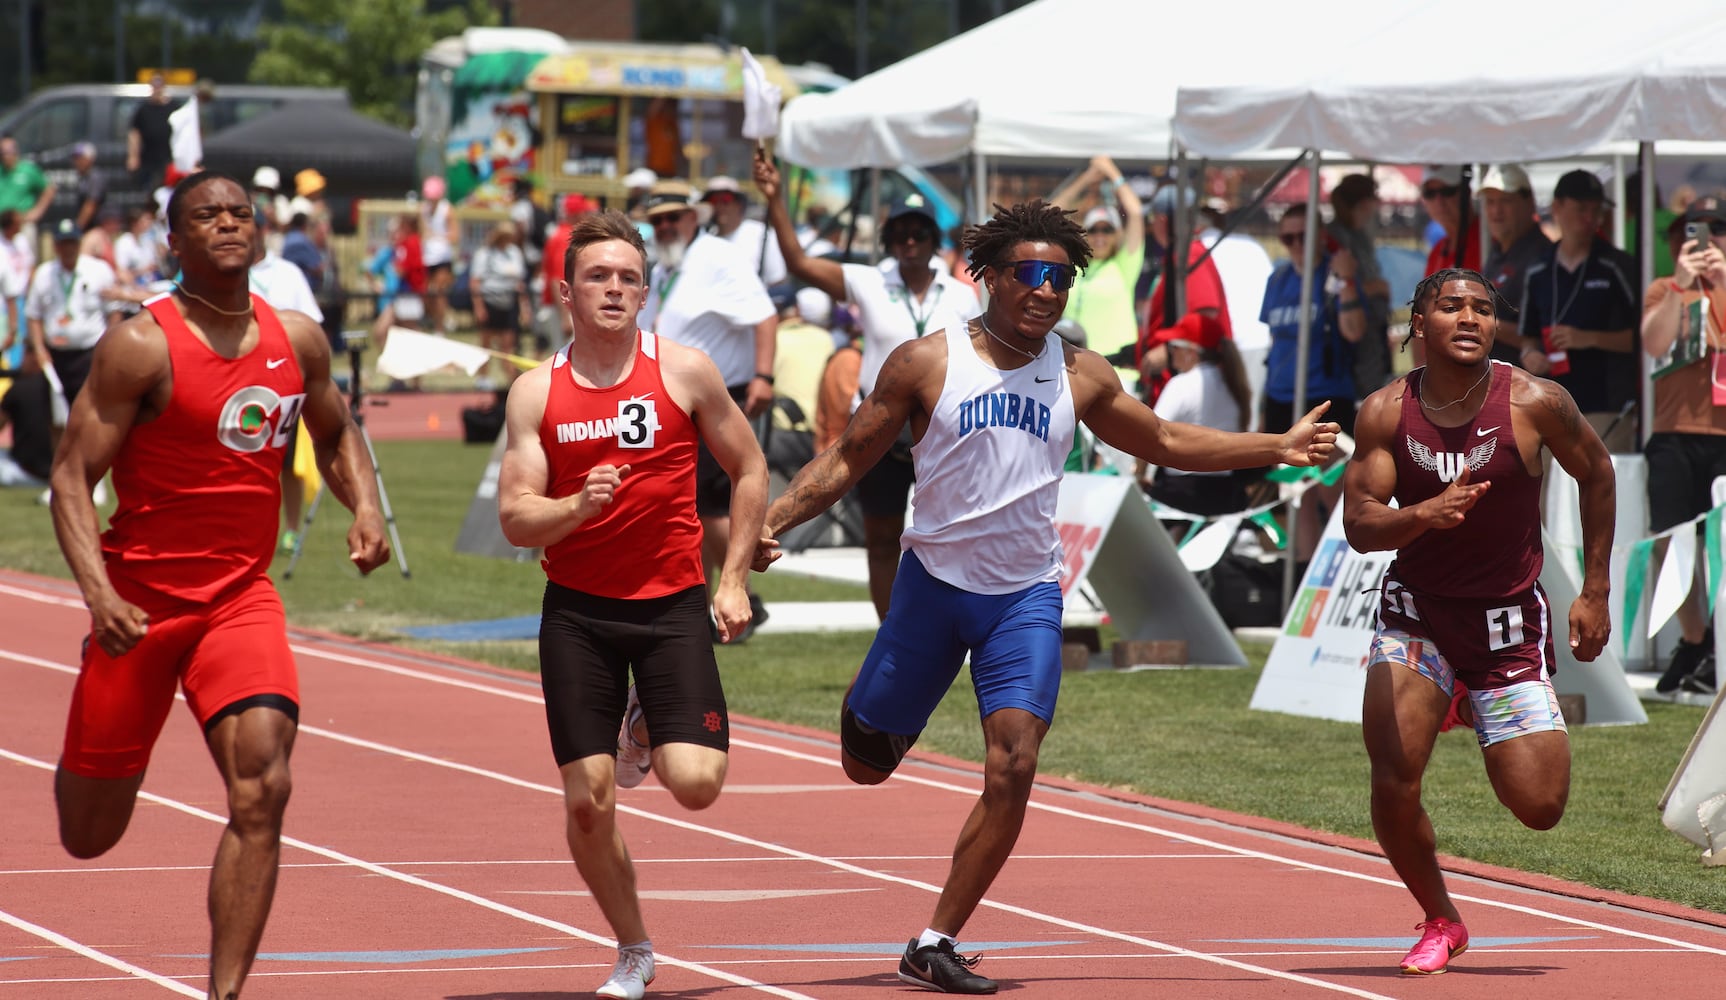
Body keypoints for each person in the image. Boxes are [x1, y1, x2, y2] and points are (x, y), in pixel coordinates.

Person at [753, 199, 1339, 995]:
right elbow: (846, 458)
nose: (1045, 290)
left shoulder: (1080, 372)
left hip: (1023, 595)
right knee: (865, 766)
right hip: (933, 588)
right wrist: (773, 520)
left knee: (1016, 760)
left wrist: (1276, 445)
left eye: (1061, 278)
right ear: (986, 277)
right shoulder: (925, 363)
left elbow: (1163, 440)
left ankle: (935, 939)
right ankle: (869, 714)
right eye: (1029, 273)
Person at [47, 170, 390, 1000]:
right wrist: (100, 598)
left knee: (264, 783)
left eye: (241, 213)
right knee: (88, 834)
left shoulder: (299, 339)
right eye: (207, 215)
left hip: (240, 600)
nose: (229, 224)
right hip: (139, 605)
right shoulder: (140, 345)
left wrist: (367, 507)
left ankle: (226, 993)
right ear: (174, 241)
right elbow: (68, 478)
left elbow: (336, 430)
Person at [495, 208, 768, 1000]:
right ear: (565, 294)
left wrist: (734, 577)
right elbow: (517, 515)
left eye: (626, 278)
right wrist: (577, 506)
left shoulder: (684, 371)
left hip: (671, 604)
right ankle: (634, 949)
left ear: (645, 293)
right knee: (588, 801)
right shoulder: (535, 393)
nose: (613, 290)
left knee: (697, 785)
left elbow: (749, 469)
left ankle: (645, 727)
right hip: (578, 611)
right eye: (596, 278)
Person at [1342, 268, 1614, 977]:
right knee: (1393, 774)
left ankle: (1468, 696)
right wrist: (1421, 516)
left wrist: (1594, 589)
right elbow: (1361, 527)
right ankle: (1440, 917)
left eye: (1484, 309)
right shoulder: (1383, 412)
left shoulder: (1534, 400)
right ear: (1420, 323)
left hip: (1504, 625)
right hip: (1418, 614)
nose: (1470, 317)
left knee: (1540, 806)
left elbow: (1599, 472)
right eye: (1451, 305)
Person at [754, 151, 981, 619]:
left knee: (951, 533)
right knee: (880, 537)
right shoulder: (868, 280)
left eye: (918, 231)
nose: (909, 241)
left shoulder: (961, 294)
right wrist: (775, 198)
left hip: (943, 428)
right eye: (899, 232)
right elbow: (797, 261)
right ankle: (891, 633)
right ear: (889, 238)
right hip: (880, 425)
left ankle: (951, 627)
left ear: (933, 237)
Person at [638, 178, 778, 638]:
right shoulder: (664, 267)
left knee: (711, 507)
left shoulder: (716, 257)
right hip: (674, 400)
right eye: (656, 220)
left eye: (672, 218)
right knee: (687, 505)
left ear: (692, 217)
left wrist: (763, 375)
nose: (663, 227)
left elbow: (763, 314)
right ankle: (697, 601)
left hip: (719, 396)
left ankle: (740, 595)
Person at [1640, 196, 1726, 696]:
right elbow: (1655, 342)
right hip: (1675, 431)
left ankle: (1715, 642)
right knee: (1667, 543)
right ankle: (1696, 638)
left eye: (1718, 229)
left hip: (1722, 437)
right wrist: (1681, 284)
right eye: (1696, 231)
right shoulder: (1665, 288)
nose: (1707, 240)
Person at [1518, 169, 1641, 452]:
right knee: (1551, 494)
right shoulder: (1538, 269)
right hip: (1549, 403)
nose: (1590, 219)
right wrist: (1530, 355)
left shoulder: (1617, 265)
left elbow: (1646, 337)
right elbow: (1528, 337)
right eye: (1581, 209)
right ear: (1556, 208)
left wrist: (1589, 338)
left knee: (1601, 488)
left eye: (1596, 211)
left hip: (1606, 405)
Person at [26, 218, 121, 466]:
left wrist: (107, 347)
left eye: (72, 243)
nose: (68, 248)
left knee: (88, 415)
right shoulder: (45, 274)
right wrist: (39, 348)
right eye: (63, 243)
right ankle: (60, 471)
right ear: (56, 246)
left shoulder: (98, 270)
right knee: (56, 418)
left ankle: (93, 473)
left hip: (89, 351)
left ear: (79, 244)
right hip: (55, 355)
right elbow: (34, 315)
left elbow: (114, 312)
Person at [1047, 156, 1146, 389]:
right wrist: (1087, 179)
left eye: (1107, 229)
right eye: (1093, 229)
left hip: (1116, 372)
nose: (1100, 236)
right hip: (1072, 370)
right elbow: (1047, 215)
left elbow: (1136, 212)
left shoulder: (1123, 265)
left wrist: (1112, 172)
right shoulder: (1077, 266)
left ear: (1116, 235)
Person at [1146, 311, 1254, 516]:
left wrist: (1140, 475)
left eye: (1174, 347)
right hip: (1227, 493)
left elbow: (1149, 431)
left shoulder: (1181, 384)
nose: (1171, 353)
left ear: (1191, 352)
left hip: (1181, 494)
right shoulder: (1235, 386)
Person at [1136, 185, 1232, 404]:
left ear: (1161, 220)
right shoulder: (1183, 253)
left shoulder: (1189, 254)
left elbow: (1205, 314)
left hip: (1189, 381)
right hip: (1179, 379)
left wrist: (1170, 351)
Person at [1477, 164, 1552, 366]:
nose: (1496, 211)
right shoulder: (1498, 251)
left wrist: (1484, 323)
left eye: (1506, 201)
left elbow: (1549, 334)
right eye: (1490, 202)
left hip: (1526, 383)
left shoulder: (1543, 257)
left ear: (1530, 203)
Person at [1328, 173, 1394, 395]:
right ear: (1366, 202)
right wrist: (1376, 288)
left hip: (1372, 328)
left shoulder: (1359, 236)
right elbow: (1330, 289)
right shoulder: (1336, 237)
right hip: (1350, 330)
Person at [469, 220, 532, 386]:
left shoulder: (514, 253)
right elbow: (475, 282)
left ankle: (511, 380)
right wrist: (479, 306)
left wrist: (524, 307)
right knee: (486, 343)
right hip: (490, 300)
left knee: (508, 345)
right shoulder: (485, 254)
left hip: (509, 302)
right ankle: (483, 377)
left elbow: (520, 283)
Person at [701, 175, 787, 287]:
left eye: (726, 200)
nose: (719, 206)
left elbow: (777, 280)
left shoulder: (761, 234)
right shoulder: (705, 240)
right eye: (713, 201)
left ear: (739, 204)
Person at [1420, 165, 1482, 276]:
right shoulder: (1437, 252)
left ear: (1466, 192)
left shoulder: (1486, 242)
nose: (1439, 201)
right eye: (1430, 193)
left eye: (1448, 191)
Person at [419, 175, 458, 335]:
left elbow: (455, 235)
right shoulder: (423, 209)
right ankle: (434, 322)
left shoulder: (447, 209)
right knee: (427, 294)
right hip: (426, 257)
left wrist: (438, 237)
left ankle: (440, 328)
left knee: (439, 293)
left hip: (442, 258)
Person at [126, 73, 175, 191]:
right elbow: (134, 133)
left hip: (169, 158)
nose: (157, 89)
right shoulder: (143, 109)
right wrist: (133, 156)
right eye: (154, 85)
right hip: (148, 158)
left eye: (159, 85)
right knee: (149, 191)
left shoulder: (173, 107)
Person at [0, 135, 56, 235]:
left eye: (9, 151)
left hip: (22, 224)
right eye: (3, 152)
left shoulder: (28, 170)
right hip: (2, 225)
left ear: (16, 152)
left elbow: (49, 189)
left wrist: (37, 212)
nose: (6, 155)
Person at [69, 142, 106, 232]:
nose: (76, 162)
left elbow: (91, 205)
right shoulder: (83, 178)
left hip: (96, 229)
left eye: (79, 158)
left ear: (90, 159)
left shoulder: (95, 177)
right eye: (75, 158)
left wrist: (77, 229)